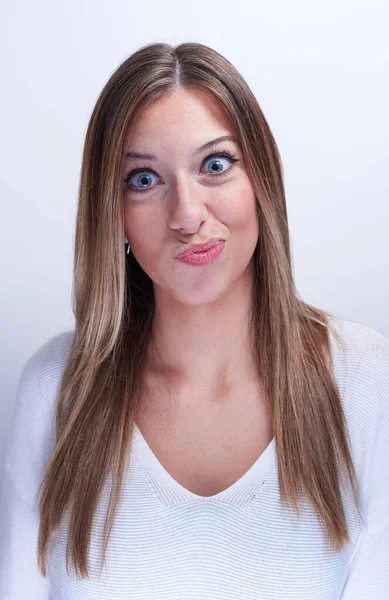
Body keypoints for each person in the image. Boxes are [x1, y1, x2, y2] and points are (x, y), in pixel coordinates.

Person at [0, 41, 388, 599]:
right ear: (114, 215)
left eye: (215, 165)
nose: (186, 215)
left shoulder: (365, 380)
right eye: (144, 179)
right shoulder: (58, 388)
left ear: (262, 182)